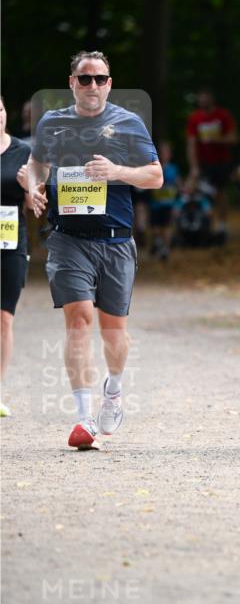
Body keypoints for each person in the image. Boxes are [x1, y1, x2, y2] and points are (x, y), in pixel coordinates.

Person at [25, 50, 163, 449]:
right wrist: (35, 186)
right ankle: (84, 417)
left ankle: (113, 390)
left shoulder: (128, 123)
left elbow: (154, 176)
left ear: (109, 83)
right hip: (68, 239)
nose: (92, 86)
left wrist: (117, 172)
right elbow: (38, 164)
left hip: (116, 240)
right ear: (71, 83)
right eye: (84, 79)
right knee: (79, 319)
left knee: (113, 332)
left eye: (99, 79)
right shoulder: (52, 122)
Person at [0, 97, 32, 417]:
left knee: (4, 318)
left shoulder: (22, 151)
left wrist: (30, 189)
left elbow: (36, 200)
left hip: (11, 243)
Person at [186, 88, 237, 237]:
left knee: (221, 194)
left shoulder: (222, 115)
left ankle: (222, 226)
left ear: (211, 98)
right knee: (201, 193)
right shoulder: (194, 118)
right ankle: (203, 226)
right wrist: (194, 166)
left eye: (205, 97)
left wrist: (215, 139)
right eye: (200, 97)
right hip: (203, 163)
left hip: (221, 162)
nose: (203, 100)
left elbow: (233, 138)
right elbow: (191, 143)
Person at [149, 141, 182, 260]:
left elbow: (179, 185)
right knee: (156, 229)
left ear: (170, 154)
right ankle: (158, 243)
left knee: (167, 226)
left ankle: (165, 249)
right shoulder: (153, 167)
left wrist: (178, 201)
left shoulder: (174, 169)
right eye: (162, 152)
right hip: (155, 204)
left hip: (168, 203)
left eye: (166, 152)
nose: (164, 155)